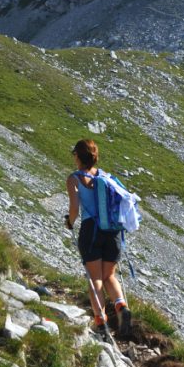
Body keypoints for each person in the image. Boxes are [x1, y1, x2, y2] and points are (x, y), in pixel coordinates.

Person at [66, 138, 132, 337]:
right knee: (109, 275)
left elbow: (74, 209)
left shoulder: (74, 179)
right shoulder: (105, 176)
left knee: (95, 278)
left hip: (91, 230)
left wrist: (69, 222)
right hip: (112, 232)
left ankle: (101, 323)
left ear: (78, 156)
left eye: (74, 154)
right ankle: (121, 306)